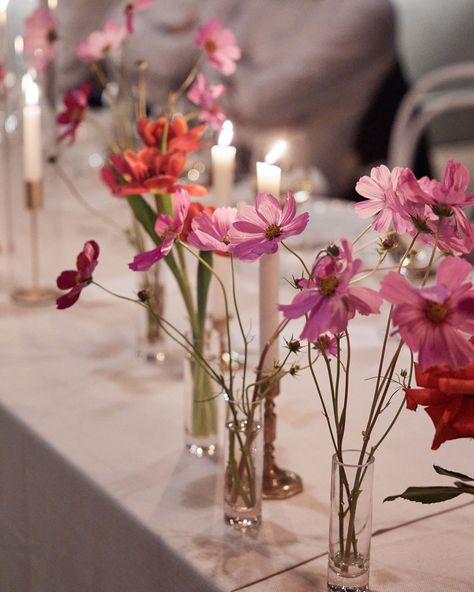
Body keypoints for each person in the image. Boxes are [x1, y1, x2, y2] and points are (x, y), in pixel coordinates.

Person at [58, 0, 427, 196]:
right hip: (216, 172)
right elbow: (185, 59)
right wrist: (224, 67)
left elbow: (258, 101)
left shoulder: (365, 12)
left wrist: (214, 68)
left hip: (299, 191)